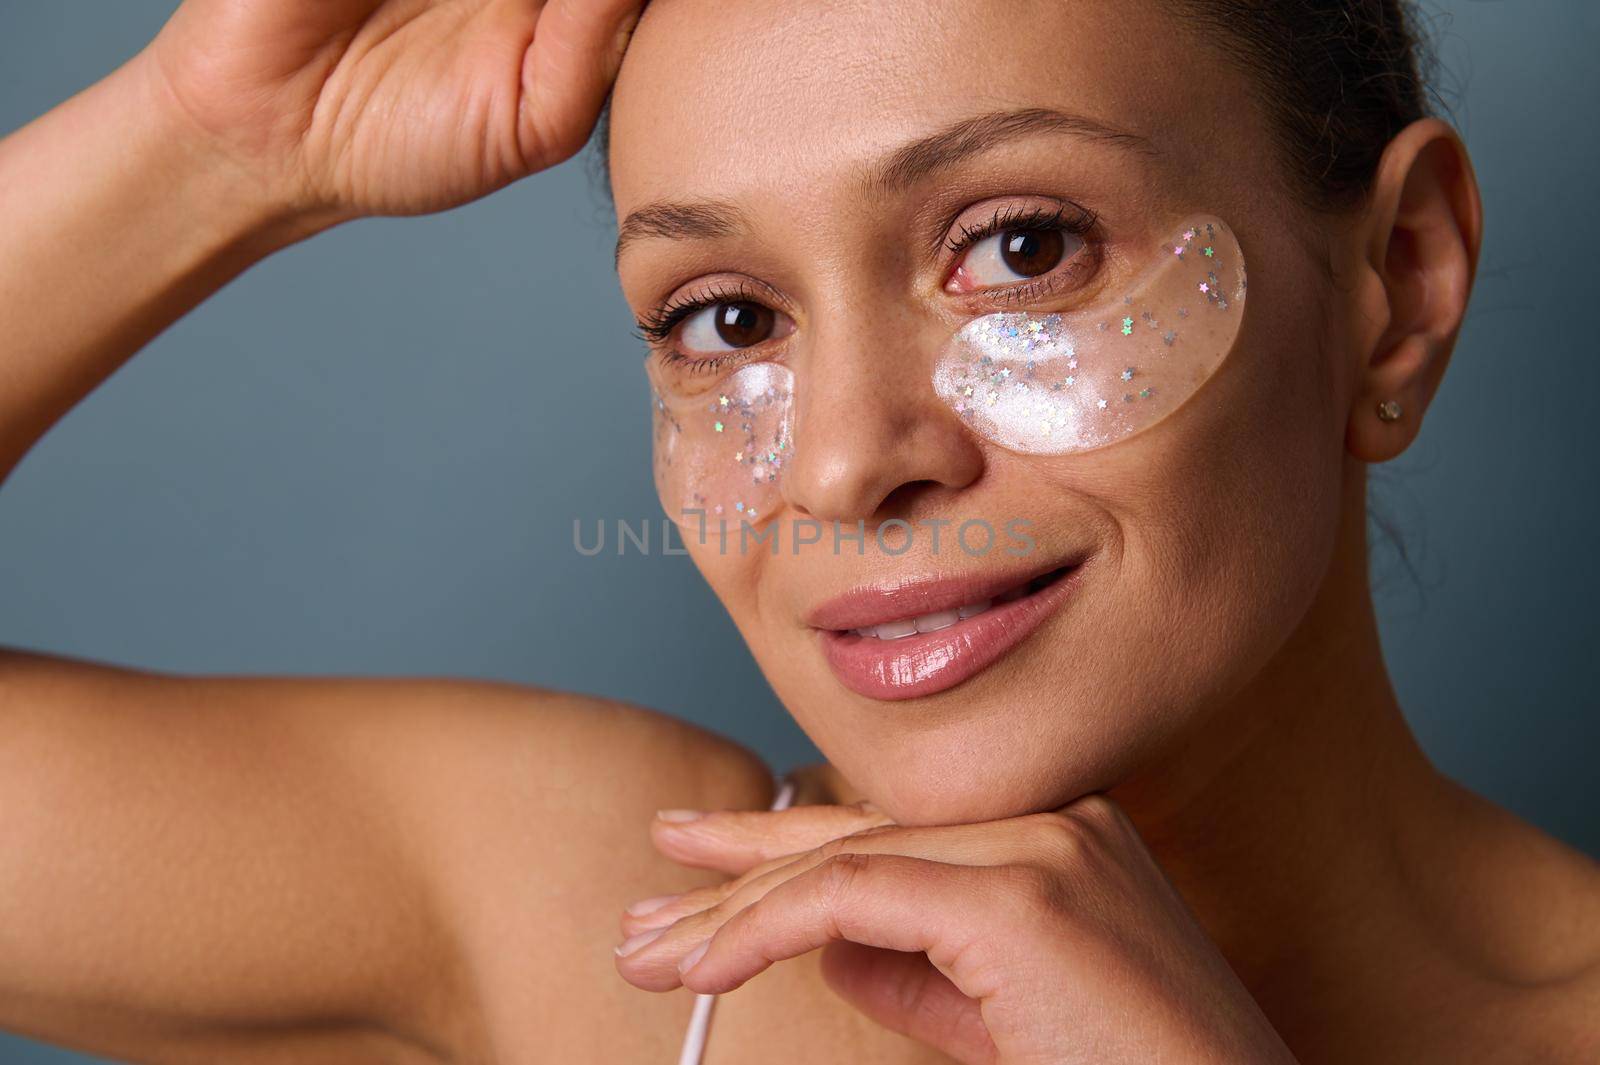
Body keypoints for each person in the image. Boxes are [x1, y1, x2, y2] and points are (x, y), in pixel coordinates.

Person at [1, 1, 1596, 1062]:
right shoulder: (637, 948)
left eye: (1022, 246)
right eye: (726, 316)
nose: (840, 464)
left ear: (1399, 281)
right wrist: (213, 145)